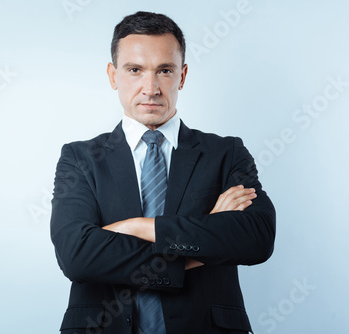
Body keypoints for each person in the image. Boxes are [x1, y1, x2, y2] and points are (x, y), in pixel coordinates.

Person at [50, 11, 275, 334]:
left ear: (182, 76)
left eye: (164, 70)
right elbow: (77, 255)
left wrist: (139, 227)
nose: (150, 87)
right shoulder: (80, 158)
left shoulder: (225, 153)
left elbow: (256, 238)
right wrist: (199, 246)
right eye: (135, 70)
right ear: (113, 76)